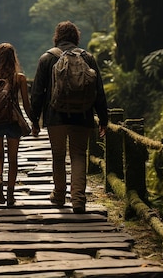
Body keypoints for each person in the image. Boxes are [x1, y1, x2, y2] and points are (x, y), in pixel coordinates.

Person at [29, 21, 108, 214]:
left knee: (58, 156)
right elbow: (99, 91)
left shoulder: (47, 58)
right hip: (82, 116)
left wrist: (34, 120)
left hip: (55, 117)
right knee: (78, 156)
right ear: (76, 37)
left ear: (57, 36)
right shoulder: (88, 58)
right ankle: (78, 200)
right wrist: (103, 120)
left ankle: (58, 195)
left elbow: (37, 93)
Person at [0, 43, 33, 207]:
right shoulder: (19, 78)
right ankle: (10, 194)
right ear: (13, 59)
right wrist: (34, 121)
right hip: (12, 121)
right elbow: (26, 104)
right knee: (13, 159)